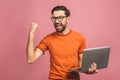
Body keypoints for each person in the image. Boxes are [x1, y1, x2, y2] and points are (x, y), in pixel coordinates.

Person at [26, 5, 98, 80]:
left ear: (68, 19)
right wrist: (32, 34)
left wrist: (88, 71)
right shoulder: (48, 39)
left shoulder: (80, 38)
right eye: (54, 18)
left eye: (60, 18)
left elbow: (81, 66)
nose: (57, 21)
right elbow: (30, 59)